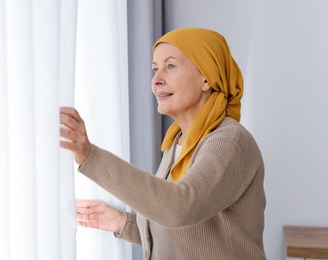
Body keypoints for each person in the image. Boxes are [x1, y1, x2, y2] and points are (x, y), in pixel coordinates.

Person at [60, 27, 266, 260]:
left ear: (207, 78)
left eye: (171, 66)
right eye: (155, 68)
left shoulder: (227, 142)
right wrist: (121, 222)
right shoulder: (177, 141)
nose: (157, 80)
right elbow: (185, 234)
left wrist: (90, 156)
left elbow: (181, 208)